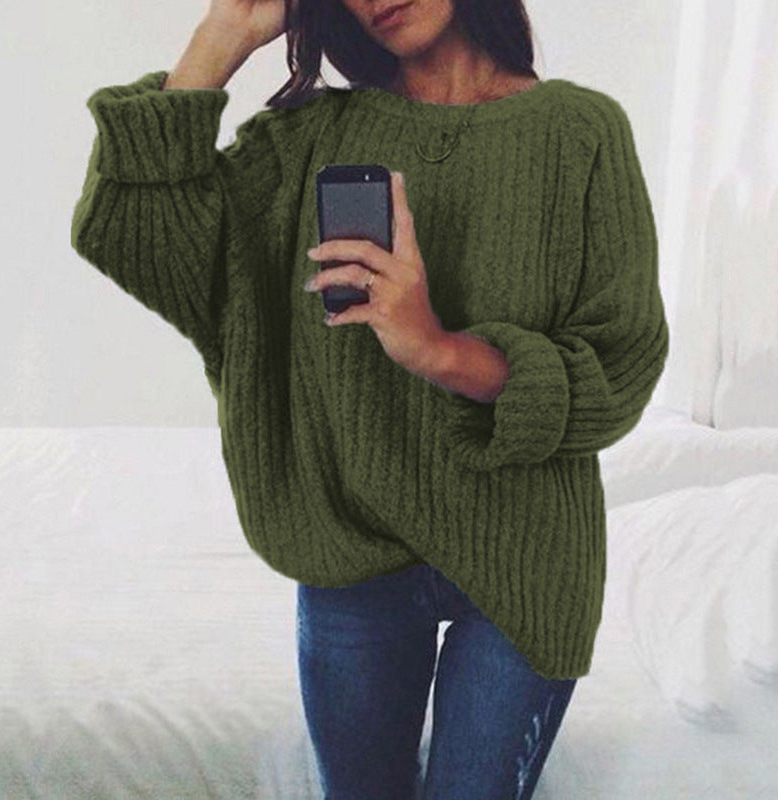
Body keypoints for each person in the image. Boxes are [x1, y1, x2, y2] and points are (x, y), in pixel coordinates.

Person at [71, 1, 670, 798]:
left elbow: (620, 365)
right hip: (349, 557)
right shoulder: (303, 140)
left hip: (522, 561)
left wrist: (436, 349)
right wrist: (226, 33)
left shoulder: (580, 131)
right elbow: (133, 234)